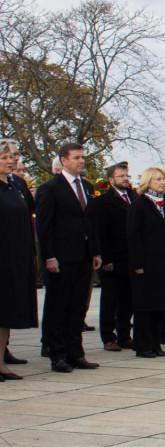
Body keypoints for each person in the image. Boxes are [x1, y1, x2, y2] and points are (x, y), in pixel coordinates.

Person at [35, 142, 102, 373]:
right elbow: (44, 226)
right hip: (61, 257)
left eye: (82, 157)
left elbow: (91, 222)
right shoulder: (50, 188)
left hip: (83, 255)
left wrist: (95, 251)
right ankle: (58, 354)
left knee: (77, 307)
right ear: (63, 160)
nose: (81, 161)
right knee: (58, 306)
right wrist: (49, 256)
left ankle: (76, 353)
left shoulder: (87, 186)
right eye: (76, 158)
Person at [127, 167, 165, 358]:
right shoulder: (139, 205)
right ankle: (142, 345)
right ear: (148, 182)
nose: (162, 182)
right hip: (146, 264)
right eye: (157, 179)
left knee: (159, 306)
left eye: (163, 179)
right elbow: (133, 235)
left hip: (162, 264)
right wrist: (137, 263)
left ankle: (156, 343)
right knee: (145, 307)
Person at [0, 140, 36, 380]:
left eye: (14, 155)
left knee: (6, 312)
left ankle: (1, 362)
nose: (12, 160)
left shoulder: (16, 185)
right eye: (6, 156)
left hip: (15, 256)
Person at [93, 162, 136, 351]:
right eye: (121, 176)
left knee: (128, 299)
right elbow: (101, 231)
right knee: (110, 299)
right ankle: (108, 336)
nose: (125, 179)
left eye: (127, 175)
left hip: (131, 257)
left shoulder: (134, 197)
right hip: (113, 258)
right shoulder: (103, 201)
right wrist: (106, 258)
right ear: (111, 180)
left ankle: (124, 334)